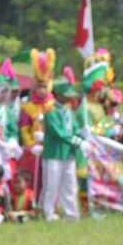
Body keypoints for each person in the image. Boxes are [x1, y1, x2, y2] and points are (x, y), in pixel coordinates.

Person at [42, 77, 90, 222]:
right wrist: (77, 142)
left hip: (69, 155)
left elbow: (73, 128)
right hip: (54, 154)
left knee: (70, 185)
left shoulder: (68, 111)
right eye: (66, 94)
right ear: (58, 94)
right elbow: (59, 132)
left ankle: (71, 214)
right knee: (51, 185)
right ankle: (48, 213)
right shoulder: (50, 112)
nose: (70, 97)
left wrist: (82, 132)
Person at [18, 48, 56, 201]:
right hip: (33, 151)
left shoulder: (53, 105)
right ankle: (32, 203)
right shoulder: (28, 106)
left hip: (50, 148)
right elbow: (24, 129)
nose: (41, 90)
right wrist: (32, 144)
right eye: (39, 86)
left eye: (44, 86)